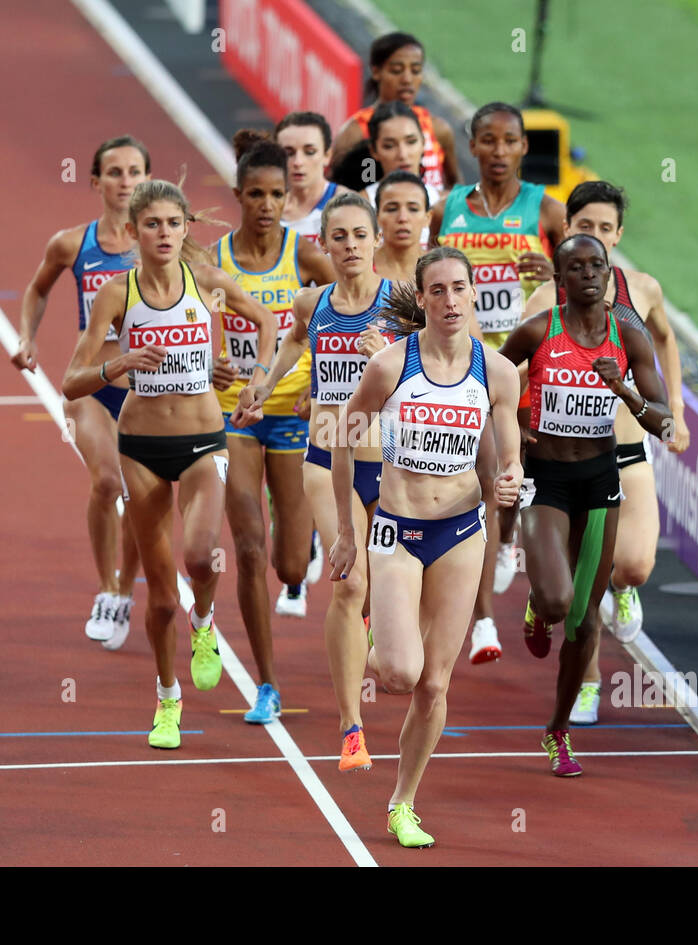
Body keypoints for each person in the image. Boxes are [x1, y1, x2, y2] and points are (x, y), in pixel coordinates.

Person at [62, 179, 277, 749]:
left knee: (202, 556)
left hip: (206, 439)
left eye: (173, 224)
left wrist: (256, 382)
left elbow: (269, 321)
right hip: (141, 448)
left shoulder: (205, 281)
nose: (163, 234)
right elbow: (70, 382)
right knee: (158, 599)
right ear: (133, 232)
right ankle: (167, 699)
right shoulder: (116, 294)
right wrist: (120, 363)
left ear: (187, 229)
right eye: (152, 224)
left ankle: (203, 621)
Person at [329, 246, 522, 847]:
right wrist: (344, 531)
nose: (450, 301)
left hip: (461, 532)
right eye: (436, 290)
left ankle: (403, 802)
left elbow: (508, 456)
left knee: (435, 684)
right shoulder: (390, 367)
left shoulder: (497, 373)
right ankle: (378, 633)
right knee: (398, 675)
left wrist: (512, 479)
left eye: (459, 289)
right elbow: (341, 438)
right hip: (394, 530)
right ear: (422, 297)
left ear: (472, 294)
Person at [499, 234, 672, 776]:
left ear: (608, 269)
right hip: (546, 479)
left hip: (602, 480)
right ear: (561, 278)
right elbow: (489, 383)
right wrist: (515, 428)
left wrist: (625, 392)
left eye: (597, 264)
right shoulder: (538, 330)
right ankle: (536, 607)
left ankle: (557, 731)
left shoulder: (628, 335)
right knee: (555, 602)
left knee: (583, 623)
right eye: (577, 267)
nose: (590, 275)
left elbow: (662, 421)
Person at [522, 180, 690, 724]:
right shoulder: (548, 299)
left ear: (618, 235)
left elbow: (665, 341)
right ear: (566, 230)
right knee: (576, 597)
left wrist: (677, 415)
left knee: (636, 567)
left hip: (628, 451)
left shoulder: (642, 293)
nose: (593, 235)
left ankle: (621, 586)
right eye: (583, 226)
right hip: (563, 463)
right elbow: (516, 366)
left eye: (604, 227)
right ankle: (587, 684)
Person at [236, 193, 391, 773]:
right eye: (339, 237)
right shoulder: (312, 300)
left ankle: (376, 630)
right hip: (327, 459)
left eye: (359, 235)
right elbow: (296, 339)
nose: (350, 246)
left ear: (376, 241)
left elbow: (444, 359)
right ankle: (351, 727)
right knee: (348, 585)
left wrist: (395, 353)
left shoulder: (402, 302)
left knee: (386, 592)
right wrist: (266, 384)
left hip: (395, 461)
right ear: (323, 244)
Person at [431, 101, 564, 664]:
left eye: (510, 141)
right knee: (488, 478)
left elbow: (593, 283)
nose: (500, 151)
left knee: (524, 477)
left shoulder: (548, 211)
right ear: (473, 146)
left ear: (524, 148)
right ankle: (483, 619)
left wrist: (551, 275)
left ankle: (512, 540)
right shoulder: (448, 209)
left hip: (533, 367)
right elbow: (428, 278)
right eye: (488, 140)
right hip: (471, 366)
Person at [213, 131, 336, 724]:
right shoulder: (213, 260)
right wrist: (203, 365)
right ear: (238, 194)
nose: (266, 205)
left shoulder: (305, 257)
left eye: (277, 195)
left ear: (288, 198)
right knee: (248, 547)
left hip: (290, 414)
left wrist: (323, 383)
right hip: (234, 416)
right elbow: (189, 320)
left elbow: (344, 312)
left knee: (289, 565)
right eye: (256, 194)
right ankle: (266, 683)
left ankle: (304, 545)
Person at [12, 135, 147, 648]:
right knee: (108, 481)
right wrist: (26, 336)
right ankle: (108, 588)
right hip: (90, 382)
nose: (126, 181)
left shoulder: (161, 243)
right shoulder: (72, 243)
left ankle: (126, 591)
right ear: (96, 182)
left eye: (135, 171)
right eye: (115, 172)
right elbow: (37, 289)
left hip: (146, 387)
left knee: (140, 492)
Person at [331, 32, 459, 193]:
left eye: (416, 70)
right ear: (376, 72)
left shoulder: (438, 129)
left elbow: (455, 187)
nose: (407, 79)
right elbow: (333, 191)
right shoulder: (356, 132)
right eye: (397, 70)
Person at [359, 102, 443, 224]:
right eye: (389, 146)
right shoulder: (360, 206)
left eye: (411, 142)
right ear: (374, 151)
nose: (402, 154)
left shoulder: (445, 202)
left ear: (423, 143)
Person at [277, 112, 349, 248]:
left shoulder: (349, 206)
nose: (298, 162)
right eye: (288, 153)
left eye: (309, 152)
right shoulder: (266, 208)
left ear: (327, 155)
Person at [372, 170, 432, 281]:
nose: (403, 218)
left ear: (427, 218)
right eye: (392, 209)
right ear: (377, 217)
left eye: (413, 209)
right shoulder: (361, 268)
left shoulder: (441, 269)